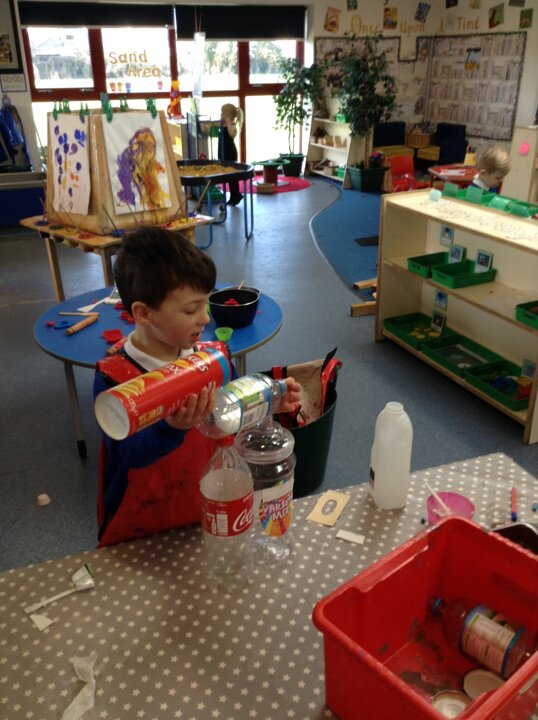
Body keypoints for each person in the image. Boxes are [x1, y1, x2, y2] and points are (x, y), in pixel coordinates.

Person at [93, 226, 301, 547]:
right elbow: (126, 455)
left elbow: (230, 412)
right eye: (191, 309)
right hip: (142, 521)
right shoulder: (116, 378)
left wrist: (268, 403)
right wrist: (171, 428)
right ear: (143, 313)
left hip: (209, 502)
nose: (205, 318)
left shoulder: (212, 359)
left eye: (205, 304)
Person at [218, 103, 244, 206]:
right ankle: (234, 196)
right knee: (229, 177)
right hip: (224, 152)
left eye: (223, 113)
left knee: (232, 176)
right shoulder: (224, 124)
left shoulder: (232, 125)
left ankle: (236, 195)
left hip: (230, 152)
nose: (221, 115)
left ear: (228, 115)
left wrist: (229, 123)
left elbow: (232, 134)